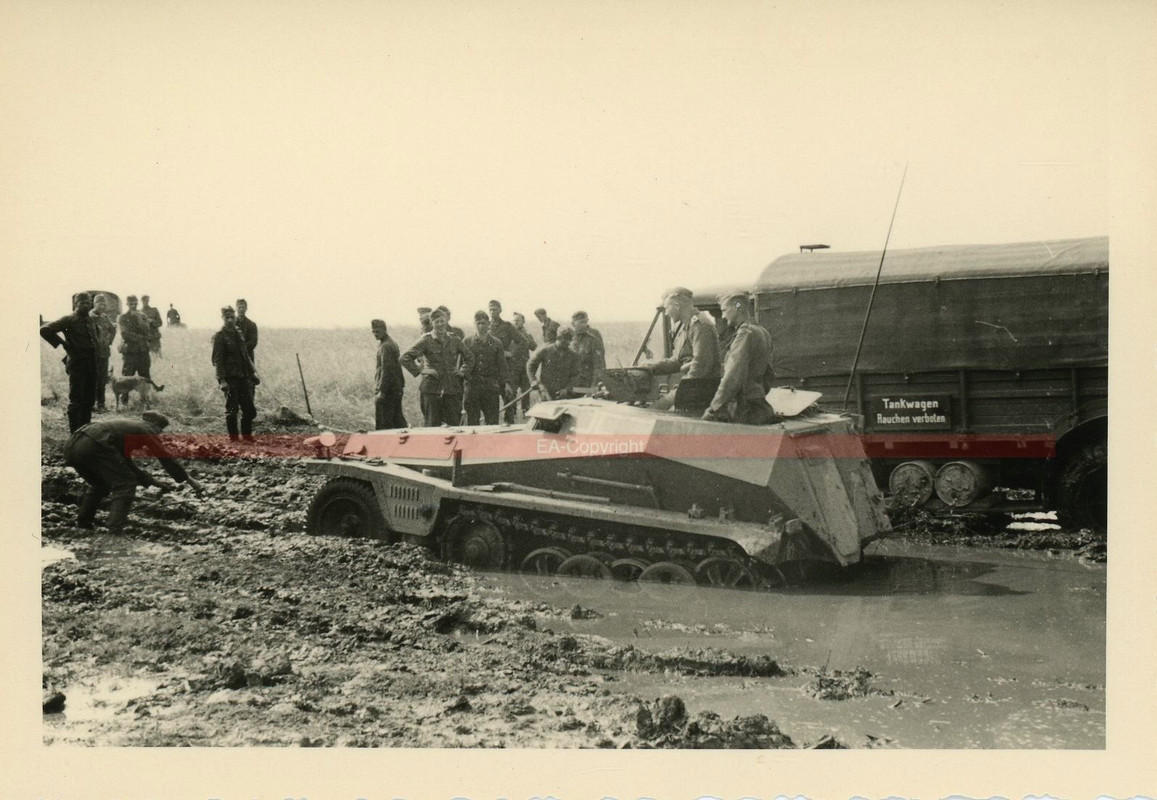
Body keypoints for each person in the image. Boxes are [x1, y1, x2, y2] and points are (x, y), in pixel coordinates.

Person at [63, 411, 205, 531]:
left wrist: (152, 482)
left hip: (73, 445)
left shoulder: (126, 429)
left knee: (100, 484)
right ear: (154, 425)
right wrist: (189, 480)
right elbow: (164, 456)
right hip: (94, 445)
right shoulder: (145, 429)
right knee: (125, 484)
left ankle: (83, 522)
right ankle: (115, 528)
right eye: (159, 431)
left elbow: (126, 465)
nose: (158, 435)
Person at [703, 291, 777, 425]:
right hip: (760, 406)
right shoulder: (761, 331)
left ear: (738, 306)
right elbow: (769, 374)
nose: (724, 316)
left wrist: (714, 407)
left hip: (743, 409)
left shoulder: (745, 334)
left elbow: (732, 376)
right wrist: (757, 392)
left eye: (725, 310)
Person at [401, 308, 475, 426]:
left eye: (442, 321)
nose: (440, 324)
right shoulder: (426, 340)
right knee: (432, 426)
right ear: (432, 323)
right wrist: (423, 370)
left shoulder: (454, 339)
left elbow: (470, 357)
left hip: (451, 389)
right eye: (437, 322)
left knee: (454, 425)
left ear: (446, 321)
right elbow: (404, 357)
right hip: (431, 390)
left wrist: (462, 371)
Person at [40, 292, 100, 432]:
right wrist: (63, 344)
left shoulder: (91, 320)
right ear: (76, 304)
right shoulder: (69, 320)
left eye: (88, 303)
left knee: (89, 400)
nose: (86, 306)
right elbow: (45, 330)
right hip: (77, 364)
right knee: (76, 400)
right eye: (82, 303)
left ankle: (85, 431)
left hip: (92, 364)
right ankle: (75, 433)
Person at [647, 287, 722, 380]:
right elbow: (680, 360)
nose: (666, 313)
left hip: (702, 387)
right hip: (696, 384)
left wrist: (684, 386)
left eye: (667, 308)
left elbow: (700, 364)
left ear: (677, 306)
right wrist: (651, 367)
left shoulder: (700, 326)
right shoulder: (687, 326)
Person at [212, 306, 259, 442]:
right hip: (230, 378)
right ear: (223, 318)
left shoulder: (238, 333)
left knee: (249, 410)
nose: (230, 320)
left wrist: (252, 374)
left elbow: (245, 356)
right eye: (227, 317)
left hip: (243, 377)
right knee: (232, 410)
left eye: (232, 317)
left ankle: (247, 437)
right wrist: (222, 380)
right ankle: (234, 440)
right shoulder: (220, 336)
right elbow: (217, 360)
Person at [463, 311, 511, 425]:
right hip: (472, 386)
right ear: (474, 324)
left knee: (492, 420)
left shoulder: (496, 343)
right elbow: (461, 365)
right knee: (473, 421)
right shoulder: (467, 342)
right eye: (478, 323)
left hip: (491, 387)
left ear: (488, 324)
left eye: (484, 323)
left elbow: (502, 365)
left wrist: (506, 383)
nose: (481, 326)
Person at [371, 319, 407, 430]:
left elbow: (387, 370)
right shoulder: (389, 343)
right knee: (397, 420)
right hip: (395, 388)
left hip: (388, 391)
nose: (375, 334)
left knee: (385, 423)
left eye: (377, 331)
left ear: (384, 330)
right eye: (373, 332)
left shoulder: (386, 346)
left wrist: (382, 391)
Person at [527, 326, 580, 400]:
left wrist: (567, 389)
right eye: (564, 340)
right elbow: (531, 365)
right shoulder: (545, 350)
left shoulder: (573, 355)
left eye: (569, 340)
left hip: (564, 394)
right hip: (546, 392)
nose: (567, 343)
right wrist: (533, 380)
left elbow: (575, 375)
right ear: (558, 338)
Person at [117, 295, 152, 391]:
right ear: (127, 304)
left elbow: (147, 331)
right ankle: (124, 400)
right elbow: (125, 334)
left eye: (135, 303)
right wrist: (140, 337)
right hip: (130, 352)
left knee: (145, 376)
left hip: (143, 351)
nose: (133, 305)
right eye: (131, 303)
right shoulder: (123, 317)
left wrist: (139, 318)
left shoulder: (142, 316)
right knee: (127, 376)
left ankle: (145, 398)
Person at [508, 312, 538, 419]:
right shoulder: (509, 335)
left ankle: (526, 412)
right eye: (514, 321)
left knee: (525, 391)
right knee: (512, 391)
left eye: (518, 320)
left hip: (524, 367)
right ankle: (512, 413)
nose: (515, 323)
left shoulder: (527, 334)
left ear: (523, 322)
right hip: (512, 368)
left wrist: (525, 336)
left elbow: (534, 347)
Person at [91, 294, 118, 412]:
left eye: (104, 304)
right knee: (92, 379)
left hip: (104, 353)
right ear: (94, 304)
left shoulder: (104, 317)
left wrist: (108, 341)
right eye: (100, 303)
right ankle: (90, 404)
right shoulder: (89, 317)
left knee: (102, 379)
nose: (102, 306)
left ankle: (101, 404)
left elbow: (113, 329)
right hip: (91, 354)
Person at [570, 310, 605, 389]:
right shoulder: (570, 338)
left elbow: (599, 364)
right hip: (573, 383)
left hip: (589, 382)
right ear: (573, 324)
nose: (585, 325)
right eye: (581, 322)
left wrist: (595, 385)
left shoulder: (593, 337)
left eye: (585, 322)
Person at [235, 298, 258, 366]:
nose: (241, 309)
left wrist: (242, 348)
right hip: (233, 359)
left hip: (248, 358)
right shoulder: (231, 324)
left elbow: (253, 342)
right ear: (236, 308)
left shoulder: (251, 324)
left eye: (243, 307)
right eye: (239, 307)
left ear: (246, 308)